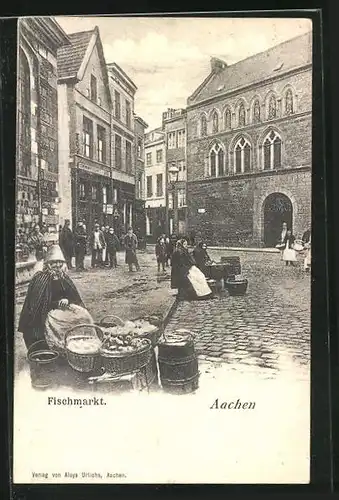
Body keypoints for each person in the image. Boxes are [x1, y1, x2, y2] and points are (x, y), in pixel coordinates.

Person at [18, 245, 92, 351]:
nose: (57, 265)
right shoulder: (40, 278)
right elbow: (37, 304)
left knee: (84, 317)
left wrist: (68, 300)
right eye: (53, 262)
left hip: (62, 310)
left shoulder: (64, 277)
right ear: (47, 263)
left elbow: (74, 297)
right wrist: (56, 303)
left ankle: (72, 347)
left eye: (59, 262)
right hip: (43, 314)